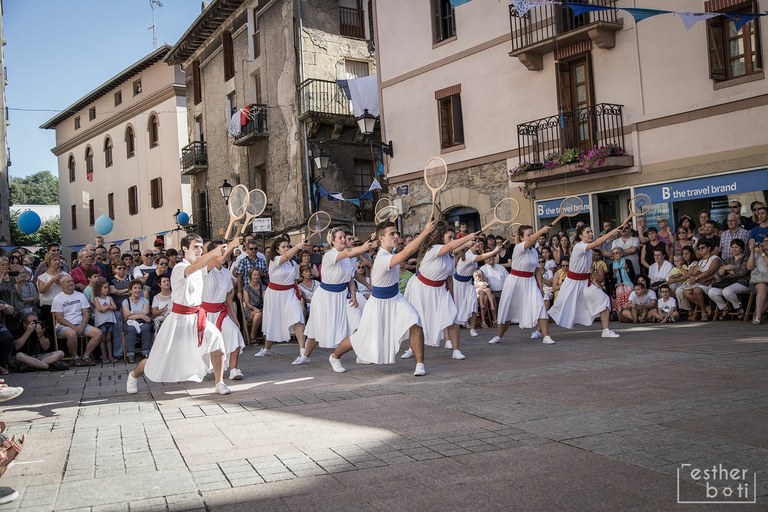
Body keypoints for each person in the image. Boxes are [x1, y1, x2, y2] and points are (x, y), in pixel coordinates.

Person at [127, 234, 231, 395]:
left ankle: (219, 383)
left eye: (200, 246)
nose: (198, 250)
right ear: (184, 249)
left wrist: (231, 245)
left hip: (197, 318)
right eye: (195, 246)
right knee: (159, 360)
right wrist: (212, 252)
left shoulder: (201, 267)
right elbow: (195, 266)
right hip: (178, 320)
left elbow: (216, 260)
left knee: (217, 340)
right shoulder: (179, 268)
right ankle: (133, 374)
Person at [329, 219, 436, 376]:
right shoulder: (383, 258)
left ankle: (420, 364)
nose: (396, 236)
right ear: (382, 239)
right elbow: (406, 253)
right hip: (377, 304)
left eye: (396, 233)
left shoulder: (389, 253)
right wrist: (425, 231)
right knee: (360, 338)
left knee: (415, 322)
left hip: (395, 298)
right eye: (391, 233)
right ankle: (334, 356)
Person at [403, 221, 476, 360]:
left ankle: (456, 350)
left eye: (454, 237)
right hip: (421, 288)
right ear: (440, 238)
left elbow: (449, 279)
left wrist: (452, 298)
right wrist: (467, 237)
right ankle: (411, 349)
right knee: (416, 320)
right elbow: (450, 246)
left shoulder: (449, 257)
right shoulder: (434, 249)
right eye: (450, 237)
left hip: (440, 289)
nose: (452, 240)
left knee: (453, 317)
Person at [302, 229, 374, 364]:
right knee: (318, 329)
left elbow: (350, 278)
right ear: (332, 241)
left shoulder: (349, 259)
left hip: (343, 296)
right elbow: (348, 252)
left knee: (358, 324)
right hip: (325, 297)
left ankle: (360, 355)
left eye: (344, 237)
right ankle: (305, 356)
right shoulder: (329, 255)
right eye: (340, 238)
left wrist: (353, 295)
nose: (343, 240)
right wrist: (365, 246)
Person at [548, 224, 624, 338]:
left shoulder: (589, 250)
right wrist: (612, 232)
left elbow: (586, 270)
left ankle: (606, 330)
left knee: (604, 299)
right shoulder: (579, 246)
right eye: (588, 232)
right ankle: (540, 330)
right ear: (580, 236)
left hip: (585, 283)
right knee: (558, 309)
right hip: (571, 283)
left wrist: (593, 282)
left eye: (591, 231)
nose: (591, 234)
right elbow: (597, 243)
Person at [491, 225, 555, 345]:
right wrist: (542, 231)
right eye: (528, 234)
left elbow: (536, 270)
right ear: (521, 237)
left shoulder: (534, 252)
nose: (531, 237)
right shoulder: (518, 248)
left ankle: (546, 336)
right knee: (508, 310)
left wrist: (540, 288)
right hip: (515, 282)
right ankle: (498, 336)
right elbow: (531, 241)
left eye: (532, 234)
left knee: (540, 306)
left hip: (530, 282)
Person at [256, 239, 309, 359]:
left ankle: (303, 351)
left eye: (288, 246)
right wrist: (297, 246)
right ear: (277, 249)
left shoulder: (293, 264)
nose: (286, 248)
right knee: (272, 321)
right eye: (283, 247)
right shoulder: (274, 261)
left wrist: (298, 296)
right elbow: (285, 256)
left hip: (290, 293)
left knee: (298, 319)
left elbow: (295, 281)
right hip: (274, 295)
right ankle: (267, 349)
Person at [200, 240, 244, 381]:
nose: (226, 254)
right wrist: (233, 243)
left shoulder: (226, 273)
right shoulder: (205, 268)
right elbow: (221, 258)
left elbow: (228, 298)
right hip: (204, 314)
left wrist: (235, 319)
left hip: (220, 312)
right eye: (223, 250)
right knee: (203, 343)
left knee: (234, 332)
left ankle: (233, 369)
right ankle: (201, 369)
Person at [453, 240, 503, 337]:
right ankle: (452, 331)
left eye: (477, 242)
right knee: (456, 307)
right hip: (458, 284)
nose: (477, 244)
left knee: (474, 304)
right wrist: (494, 251)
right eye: (474, 243)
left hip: (468, 283)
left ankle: (472, 329)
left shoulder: (472, 254)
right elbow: (481, 257)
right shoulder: (468, 255)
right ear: (468, 246)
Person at [51, 275, 102, 366]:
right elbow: (59, 318)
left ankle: (86, 356)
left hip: (81, 324)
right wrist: (73, 327)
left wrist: (82, 325)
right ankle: (75, 357)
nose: (71, 283)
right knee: (71, 333)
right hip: (64, 326)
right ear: (62, 285)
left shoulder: (80, 295)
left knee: (98, 333)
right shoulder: (57, 299)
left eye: (72, 281)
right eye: (68, 282)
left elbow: (86, 313)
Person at [677, 241, 722, 320]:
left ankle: (703, 312)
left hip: (712, 282)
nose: (700, 250)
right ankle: (705, 306)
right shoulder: (700, 261)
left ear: (709, 248)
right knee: (685, 292)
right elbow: (694, 273)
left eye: (703, 247)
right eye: (699, 248)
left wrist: (697, 277)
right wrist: (695, 277)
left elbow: (710, 272)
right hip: (701, 282)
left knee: (696, 290)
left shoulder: (715, 258)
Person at [708, 239, 750, 320]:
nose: (733, 249)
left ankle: (739, 307)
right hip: (728, 283)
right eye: (732, 247)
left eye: (736, 247)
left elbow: (742, 273)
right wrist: (725, 269)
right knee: (711, 292)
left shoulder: (746, 258)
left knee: (727, 291)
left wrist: (730, 270)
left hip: (742, 282)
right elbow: (719, 275)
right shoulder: (728, 260)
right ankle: (725, 307)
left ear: (741, 249)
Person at [122, 279, 152, 363]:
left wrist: (132, 313)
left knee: (146, 327)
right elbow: (127, 316)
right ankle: (130, 354)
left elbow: (145, 312)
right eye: (135, 288)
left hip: (142, 322)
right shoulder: (126, 301)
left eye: (139, 288)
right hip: (130, 322)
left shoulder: (145, 300)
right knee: (131, 329)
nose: (137, 290)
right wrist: (141, 315)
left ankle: (146, 352)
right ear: (130, 290)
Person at [91, 278, 117, 363]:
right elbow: (99, 309)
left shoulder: (109, 298)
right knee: (102, 339)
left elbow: (114, 307)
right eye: (104, 288)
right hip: (102, 321)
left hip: (110, 320)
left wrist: (107, 307)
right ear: (99, 289)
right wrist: (107, 307)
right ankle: (103, 355)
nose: (107, 289)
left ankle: (110, 355)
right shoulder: (96, 299)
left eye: (107, 287)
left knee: (109, 338)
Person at [747, 237, 768, 324]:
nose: (766, 243)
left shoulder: (761, 253)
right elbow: (749, 267)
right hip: (758, 281)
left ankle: (757, 314)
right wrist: (752, 252)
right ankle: (758, 317)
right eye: (765, 241)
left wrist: (762, 253)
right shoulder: (757, 253)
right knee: (762, 286)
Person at [242, 268, 264, 345]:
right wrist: (254, 308)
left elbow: (264, 300)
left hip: (260, 309)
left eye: (258, 275)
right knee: (258, 314)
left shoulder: (262, 287)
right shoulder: (246, 288)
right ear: (250, 276)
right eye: (254, 275)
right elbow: (247, 303)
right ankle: (252, 336)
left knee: (261, 313)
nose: (256, 276)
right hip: (250, 310)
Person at [611, 247, 634, 316]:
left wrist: (627, 269)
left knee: (629, 290)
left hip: (628, 283)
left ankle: (631, 312)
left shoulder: (627, 262)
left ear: (621, 254)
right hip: (618, 285)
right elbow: (612, 281)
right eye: (614, 253)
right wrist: (614, 275)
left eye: (617, 253)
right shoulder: (612, 265)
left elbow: (633, 275)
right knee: (619, 291)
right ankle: (621, 314)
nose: (615, 255)